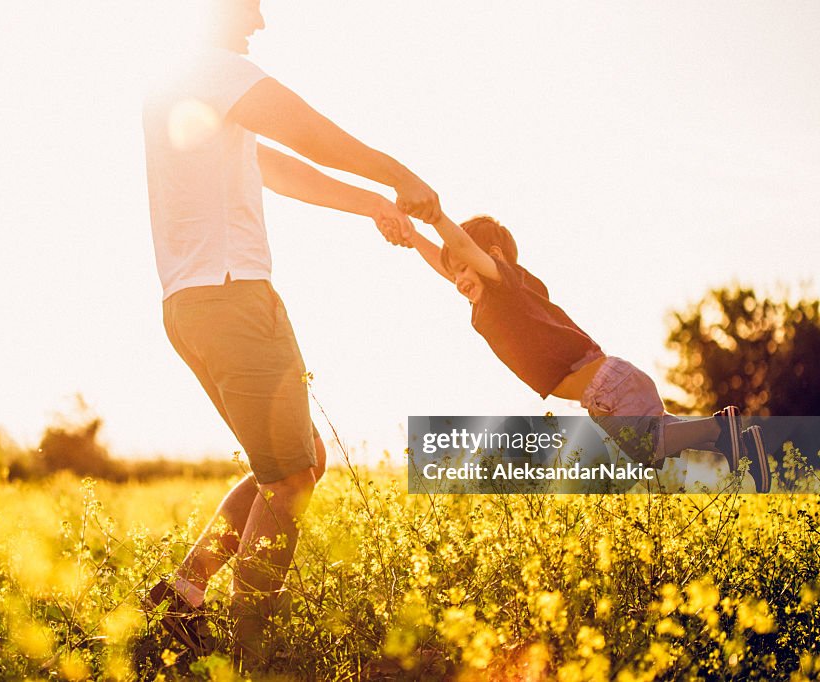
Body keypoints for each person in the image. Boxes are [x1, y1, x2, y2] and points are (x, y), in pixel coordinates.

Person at [141, 0, 436, 663]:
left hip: (190, 306)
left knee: (297, 461)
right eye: (250, 7)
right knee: (291, 479)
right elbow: (309, 134)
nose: (260, 24)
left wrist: (373, 205)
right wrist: (398, 173)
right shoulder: (209, 67)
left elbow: (278, 167)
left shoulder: (182, 87)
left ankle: (181, 598)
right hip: (232, 296)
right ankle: (247, 658)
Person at [403, 213, 771, 493]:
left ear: (493, 257)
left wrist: (434, 217)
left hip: (606, 387)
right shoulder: (504, 295)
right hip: (608, 386)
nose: (457, 280)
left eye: (465, 268)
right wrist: (412, 236)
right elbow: (448, 261)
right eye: (455, 273)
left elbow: (462, 250)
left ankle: (722, 426)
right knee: (663, 438)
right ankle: (733, 438)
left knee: (651, 447)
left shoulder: (506, 286)